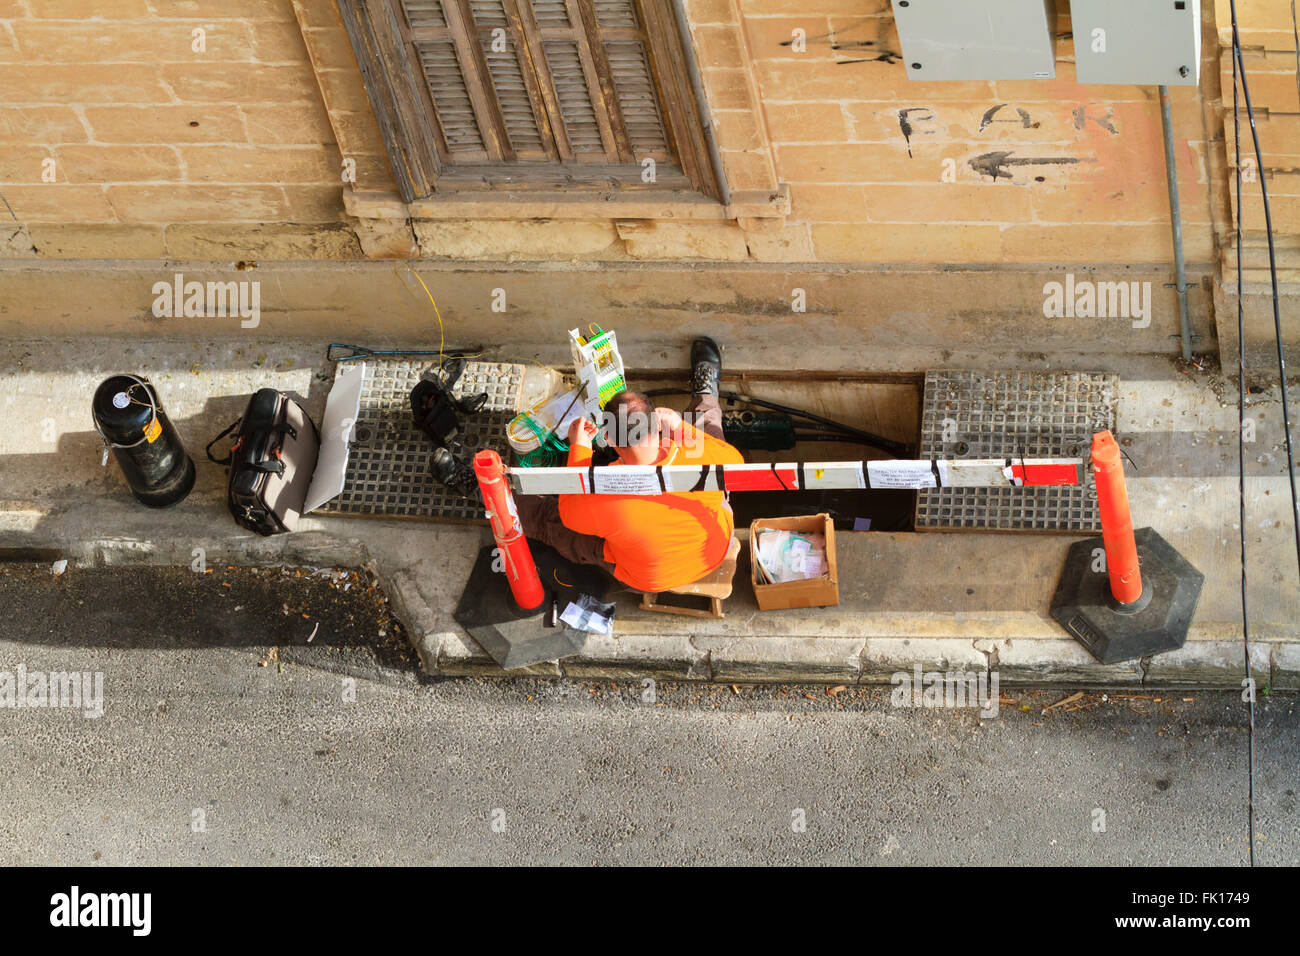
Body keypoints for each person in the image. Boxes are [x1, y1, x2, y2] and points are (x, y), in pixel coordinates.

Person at [512, 337, 743, 593]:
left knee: (550, 520)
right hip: (714, 549)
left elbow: (569, 514)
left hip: (648, 578)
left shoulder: (605, 494)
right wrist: (679, 427)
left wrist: (579, 450)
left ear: (607, 439)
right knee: (707, 429)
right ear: (657, 423)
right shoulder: (701, 457)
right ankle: (705, 393)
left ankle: (496, 496)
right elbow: (736, 463)